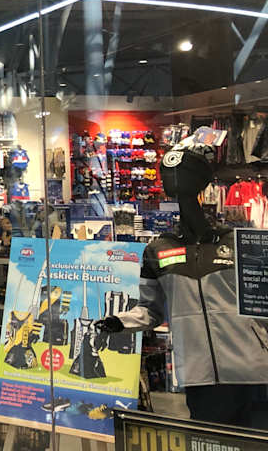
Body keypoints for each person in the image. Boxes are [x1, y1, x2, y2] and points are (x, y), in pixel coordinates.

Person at [97, 134, 268, 429]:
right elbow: (150, 309)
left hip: (254, 372)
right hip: (199, 376)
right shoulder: (158, 250)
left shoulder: (239, 243)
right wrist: (121, 322)